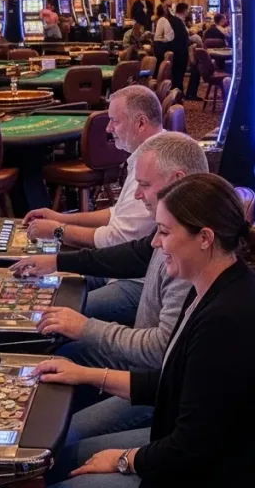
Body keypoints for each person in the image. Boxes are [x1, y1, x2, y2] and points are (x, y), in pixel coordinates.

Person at [39, 173, 255, 487]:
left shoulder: (228, 319)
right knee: (58, 460)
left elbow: (191, 448)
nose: (156, 244)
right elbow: (177, 382)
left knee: (61, 479)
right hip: (195, 449)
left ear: (204, 238)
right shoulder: (208, 284)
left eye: (164, 232)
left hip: (216, 471)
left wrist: (124, 459)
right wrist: (87, 374)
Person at [11, 132, 208, 443]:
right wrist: (59, 261)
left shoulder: (190, 254)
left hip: (164, 392)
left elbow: (160, 357)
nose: (137, 195)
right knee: (56, 354)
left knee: (66, 438)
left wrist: (87, 329)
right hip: (157, 374)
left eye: (144, 186)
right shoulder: (176, 228)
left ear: (177, 180)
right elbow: (130, 254)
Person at [23, 86, 163, 329]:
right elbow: (117, 214)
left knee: (43, 316)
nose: (108, 129)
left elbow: (117, 239)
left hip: (137, 282)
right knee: (39, 287)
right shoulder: (147, 153)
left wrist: (58, 231)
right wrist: (62, 218)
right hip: (120, 267)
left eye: (114, 121)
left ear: (141, 123)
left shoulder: (155, 164)